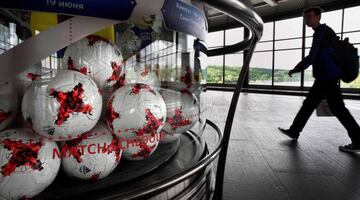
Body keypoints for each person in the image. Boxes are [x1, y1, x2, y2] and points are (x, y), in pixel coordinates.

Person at [278, 7, 360, 153]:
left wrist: (296, 68)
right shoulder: (323, 32)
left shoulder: (322, 32)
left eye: (310, 16)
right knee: (311, 104)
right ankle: (294, 130)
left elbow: (312, 56)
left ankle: (359, 140)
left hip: (327, 78)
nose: (307, 19)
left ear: (318, 17)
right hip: (326, 77)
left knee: (335, 108)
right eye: (305, 17)